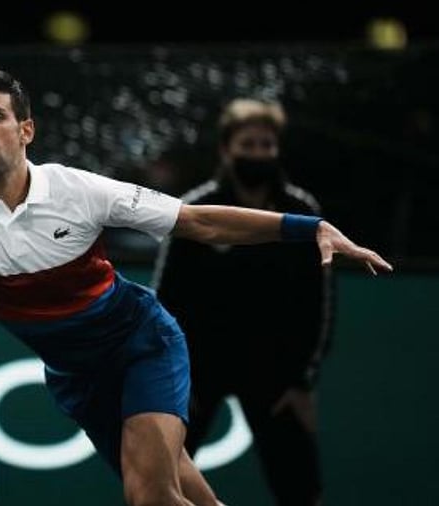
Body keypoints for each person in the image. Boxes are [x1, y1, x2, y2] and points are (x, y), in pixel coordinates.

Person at [0, 70, 392, 506]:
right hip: (81, 378)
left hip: (141, 346)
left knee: (150, 498)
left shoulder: (80, 191)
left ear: (25, 129)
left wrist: (308, 227)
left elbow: (199, 222)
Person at [152, 99, 333, 505]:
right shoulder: (197, 210)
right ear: (226, 149)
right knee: (161, 484)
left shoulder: (301, 213)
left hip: (277, 375)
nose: (257, 153)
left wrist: (303, 379)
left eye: (266, 145)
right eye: (247, 144)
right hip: (198, 373)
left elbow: (319, 303)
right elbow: (165, 298)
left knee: (301, 489)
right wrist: (174, 377)